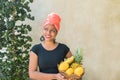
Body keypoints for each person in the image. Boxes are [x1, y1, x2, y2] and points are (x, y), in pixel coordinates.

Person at [28, 12, 72, 80]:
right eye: (46, 29)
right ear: (43, 30)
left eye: (52, 31)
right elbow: (32, 74)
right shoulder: (36, 49)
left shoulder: (64, 48)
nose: (48, 33)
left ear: (56, 32)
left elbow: (75, 69)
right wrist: (55, 76)